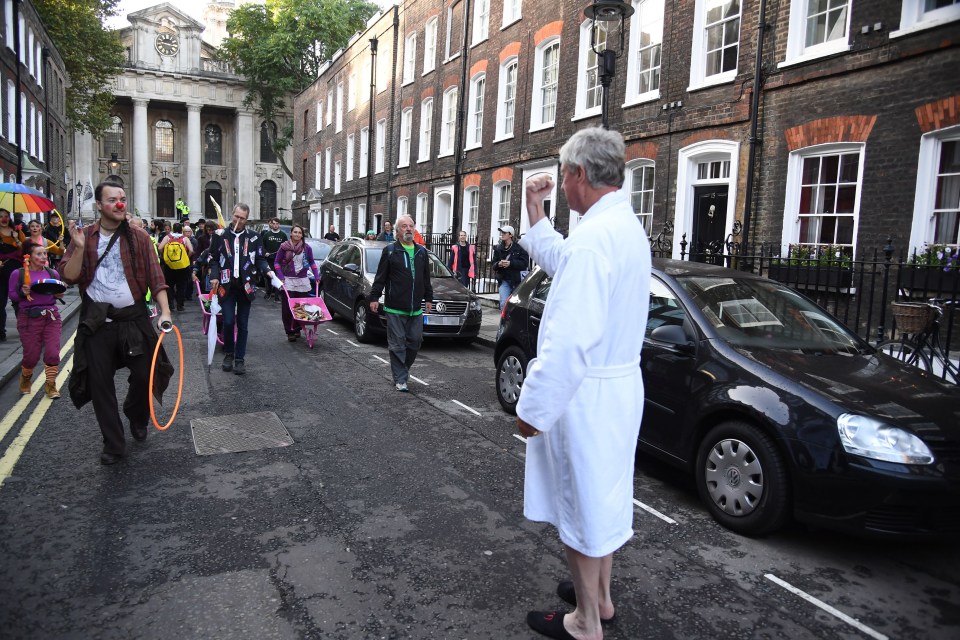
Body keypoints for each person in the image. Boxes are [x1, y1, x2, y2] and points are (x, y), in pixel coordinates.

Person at [515, 127, 651, 640]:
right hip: (617, 389)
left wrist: (534, 409)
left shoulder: (595, 239)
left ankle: (585, 620)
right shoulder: (621, 226)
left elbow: (569, 341)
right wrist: (535, 207)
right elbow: (563, 259)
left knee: (577, 505)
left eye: (562, 174)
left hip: (587, 394)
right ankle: (603, 600)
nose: (562, 186)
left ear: (576, 174)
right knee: (603, 497)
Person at [60, 181, 174, 466]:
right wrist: (78, 249)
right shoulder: (83, 237)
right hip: (98, 323)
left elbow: (155, 277)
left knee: (146, 374)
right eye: (112, 199)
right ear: (99, 205)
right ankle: (113, 443)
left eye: (122, 198)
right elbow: (69, 277)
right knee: (100, 385)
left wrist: (165, 312)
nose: (120, 204)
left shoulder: (139, 238)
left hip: (133, 320)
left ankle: (136, 414)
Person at [207, 203, 275, 375]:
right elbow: (213, 258)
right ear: (232, 214)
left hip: (246, 286)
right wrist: (214, 275)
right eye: (236, 216)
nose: (238, 220)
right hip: (227, 286)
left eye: (242, 218)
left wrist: (267, 270)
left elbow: (260, 258)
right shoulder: (219, 235)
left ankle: (240, 359)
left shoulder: (254, 237)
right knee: (229, 322)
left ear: (247, 219)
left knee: (243, 324)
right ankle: (229, 354)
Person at [369, 214, 433, 392]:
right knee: (397, 344)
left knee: (414, 342)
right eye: (404, 226)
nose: (408, 229)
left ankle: (401, 370)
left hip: (415, 309)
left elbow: (426, 278)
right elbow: (380, 277)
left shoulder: (421, 252)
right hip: (395, 307)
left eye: (411, 226)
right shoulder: (390, 251)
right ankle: (401, 378)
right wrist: (374, 297)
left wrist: (428, 298)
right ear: (397, 231)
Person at [9, 240, 64, 398]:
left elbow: (57, 293)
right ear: (29, 257)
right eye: (39, 254)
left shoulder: (52, 273)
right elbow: (12, 295)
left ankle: (51, 384)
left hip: (51, 316)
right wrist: (22, 291)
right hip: (28, 318)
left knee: (53, 353)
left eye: (44, 253)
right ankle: (26, 378)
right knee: (31, 356)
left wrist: (59, 294)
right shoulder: (18, 274)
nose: (43, 256)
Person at [274, 224, 320, 342]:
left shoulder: (307, 248)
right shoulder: (284, 247)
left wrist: (316, 275)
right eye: (295, 232)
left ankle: (298, 328)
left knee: (300, 307)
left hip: (302, 280)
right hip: (287, 280)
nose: (297, 234)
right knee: (288, 308)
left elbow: (312, 262)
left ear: (302, 235)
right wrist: (280, 276)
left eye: (300, 233)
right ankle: (290, 331)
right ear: (291, 233)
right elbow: (277, 263)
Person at [0, 208, 26, 341]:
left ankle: (23, 328)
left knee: (18, 301)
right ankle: (1, 332)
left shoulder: (17, 232)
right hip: (1, 271)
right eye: (1, 216)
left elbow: (23, 250)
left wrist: (17, 240)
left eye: (6, 216)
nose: (4, 219)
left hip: (15, 270)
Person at [158, 222, 194, 311]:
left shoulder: (168, 237)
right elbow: (191, 250)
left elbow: (159, 248)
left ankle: (171, 304)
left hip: (169, 265)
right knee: (181, 285)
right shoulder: (184, 238)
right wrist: (186, 258)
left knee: (169, 285)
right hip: (182, 266)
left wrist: (164, 256)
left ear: (172, 229)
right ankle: (180, 305)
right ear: (181, 229)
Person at [492, 224, 529, 308]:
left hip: (517, 281)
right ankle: (504, 321)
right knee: (503, 303)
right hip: (504, 279)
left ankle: (512, 321)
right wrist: (499, 264)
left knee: (516, 305)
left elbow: (524, 263)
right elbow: (494, 265)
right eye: (502, 232)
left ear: (511, 235)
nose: (502, 234)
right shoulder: (498, 248)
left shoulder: (520, 247)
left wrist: (510, 263)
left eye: (505, 233)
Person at [260, 217, 288, 301]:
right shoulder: (267, 235)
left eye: (277, 224)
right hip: (269, 260)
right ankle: (268, 293)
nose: (275, 225)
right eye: (274, 223)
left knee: (278, 277)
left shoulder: (283, 235)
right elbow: (262, 246)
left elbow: (286, 246)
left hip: (279, 261)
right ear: (271, 224)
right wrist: (265, 253)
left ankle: (277, 295)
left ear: (279, 224)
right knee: (269, 276)